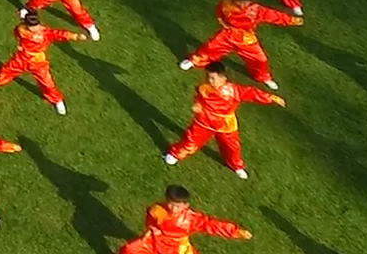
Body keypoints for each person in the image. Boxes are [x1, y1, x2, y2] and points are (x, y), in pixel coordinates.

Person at [164, 62, 285, 179]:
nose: (209, 81)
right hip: (205, 120)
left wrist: (270, 97)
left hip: (226, 123)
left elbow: (252, 93)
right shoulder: (204, 88)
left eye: (212, 78)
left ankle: (236, 166)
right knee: (191, 141)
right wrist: (197, 105)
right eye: (208, 77)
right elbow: (198, 98)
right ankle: (175, 154)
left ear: (223, 78)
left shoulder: (233, 90)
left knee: (232, 147)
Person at [180, 0, 301, 89]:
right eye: (242, 2)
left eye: (247, 2)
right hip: (227, 35)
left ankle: (263, 77)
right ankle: (193, 61)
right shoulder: (226, 4)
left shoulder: (256, 10)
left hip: (246, 39)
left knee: (260, 59)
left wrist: (292, 20)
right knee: (209, 49)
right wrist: (221, 22)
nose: (244, 5)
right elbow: (218, 11)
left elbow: (274, 16)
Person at [0, 10, 85, 114]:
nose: (36, 29)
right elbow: (17, 32)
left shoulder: (45, 33)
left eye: (37, 26)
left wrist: (75, 36)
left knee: (47, 82)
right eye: (32, 27)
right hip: (21, 57)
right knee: (6, 71)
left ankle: (57, 100)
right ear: (27, 26)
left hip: (37, 62)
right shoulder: (21, 29)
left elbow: (60, 34)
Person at [116, 185, 252, 253]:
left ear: (185, 205)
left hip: (177, 247)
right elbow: (150, 218)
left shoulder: (191, 219)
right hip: (154, 240)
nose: (173, 208)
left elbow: (211, 225)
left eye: (177, 206)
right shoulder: (158, 209)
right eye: (170, 203)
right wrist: (152, 228)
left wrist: (236, 232)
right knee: (129, 250)